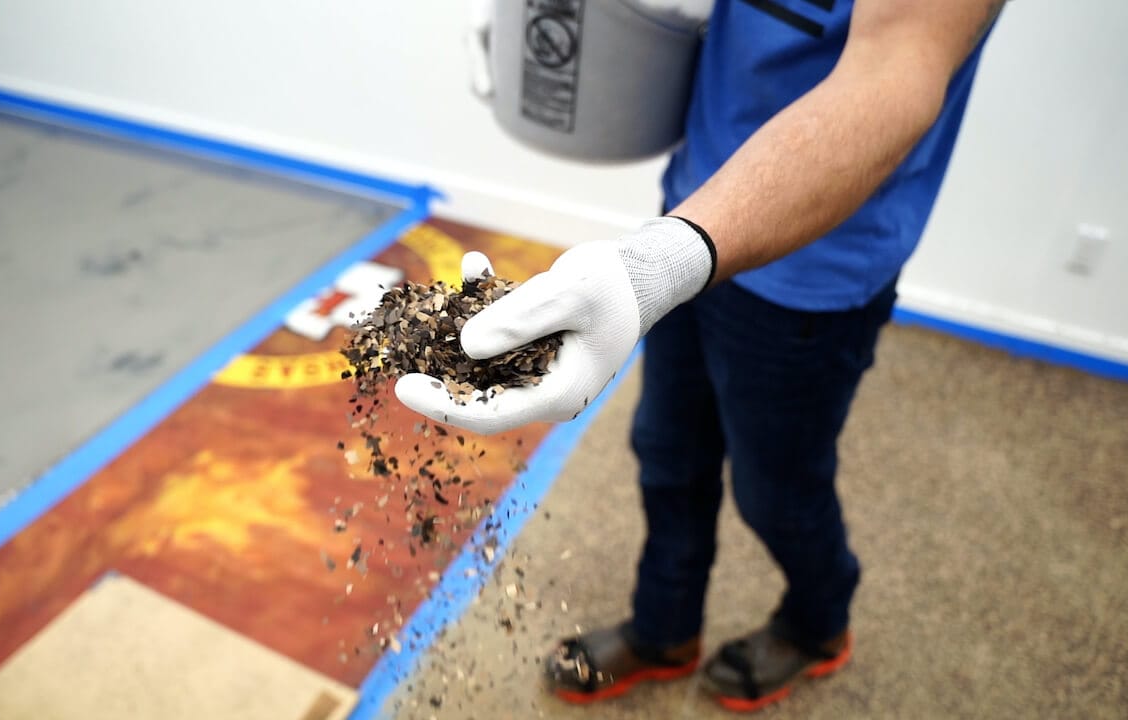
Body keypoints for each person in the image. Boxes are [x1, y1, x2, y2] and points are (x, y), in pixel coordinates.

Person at [397, 0, 1005, 711]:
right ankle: (664, 631)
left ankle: (818, 624)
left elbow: (892, 73)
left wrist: (662, 264)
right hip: (694, 203)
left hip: (814, 265)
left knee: (776, 490)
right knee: (667, 449)